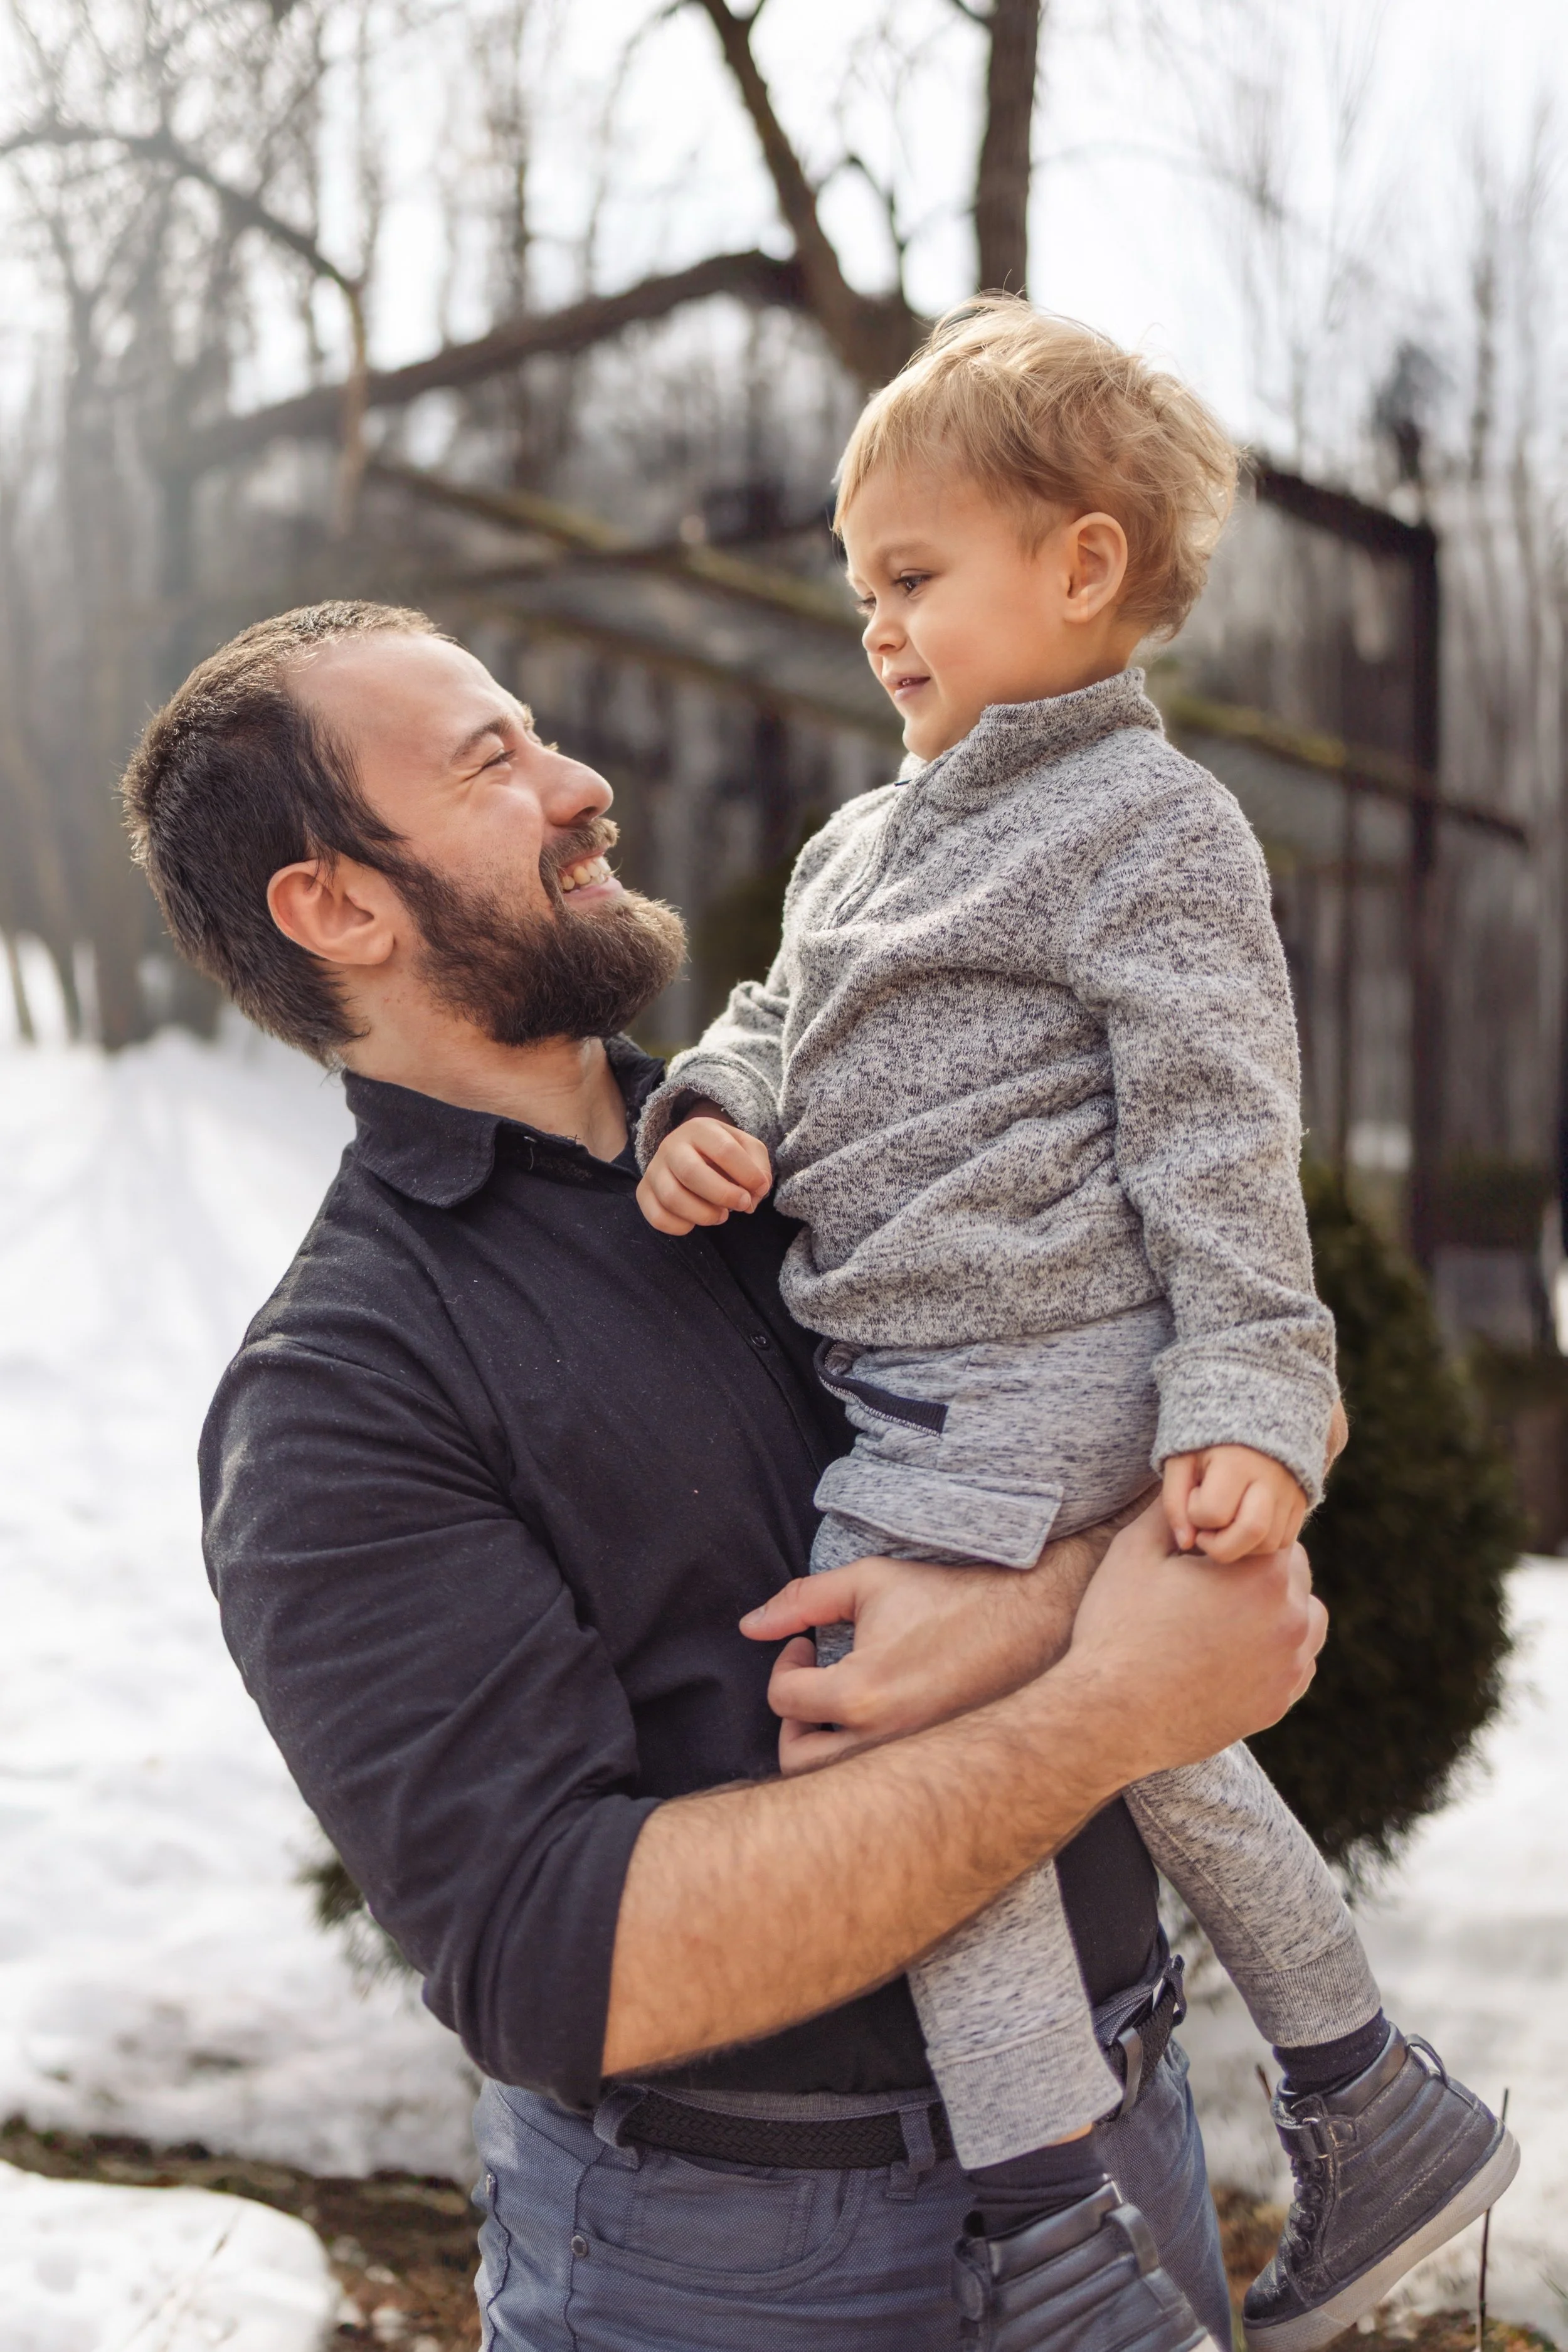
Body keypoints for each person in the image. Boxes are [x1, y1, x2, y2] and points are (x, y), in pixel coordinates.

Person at [120, 600, 1332, 2352]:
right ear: (337, 905)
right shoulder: (339, 1393)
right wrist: (1101, 1699)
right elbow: (559, 1954)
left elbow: (1216, 1371)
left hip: (1120, 2132)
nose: (583, 783)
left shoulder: (826, 1136)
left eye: (539, 732)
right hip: (738, 2264)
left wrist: (1062, 1601)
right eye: (494, 763)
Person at [636, 299, 1517, 2352]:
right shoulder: (873, 831)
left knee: (890, 1730)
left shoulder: (1146, 825)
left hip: (1032, 1380)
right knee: (1137, 1743)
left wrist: (1251, 1394)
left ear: (1083, 566)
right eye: (864, 588)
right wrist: (711, 1103)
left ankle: (1052, 2238)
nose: (878, 625)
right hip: (918, 1384)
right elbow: (777, 1012)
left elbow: (1221, 1130)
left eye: (915, 578)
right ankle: (1364, 2094)